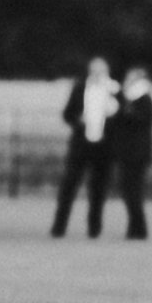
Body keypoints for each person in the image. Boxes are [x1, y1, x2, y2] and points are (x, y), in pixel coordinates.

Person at [52, 57, 119, 239]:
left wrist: (113, 114)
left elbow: (123, 120)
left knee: (98, 190)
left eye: (101, 70)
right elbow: (67, 114)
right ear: (90, 71)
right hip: (80, 147)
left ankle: (94, 229)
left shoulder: (114, 90)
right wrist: (77, 120)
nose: (98, 74)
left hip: (104, 148)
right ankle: (59, 227)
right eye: (94, 70)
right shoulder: (79, 88)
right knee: (68, 187)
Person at [107, 67, 152, 241]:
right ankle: (134, 227)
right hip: (129, 154)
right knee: (129, 192)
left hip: (136, 155)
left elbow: (134, 120)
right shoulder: (133, 100)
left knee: (133, 191)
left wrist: (120, 99)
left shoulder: (143, 100)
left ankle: (138, 229)